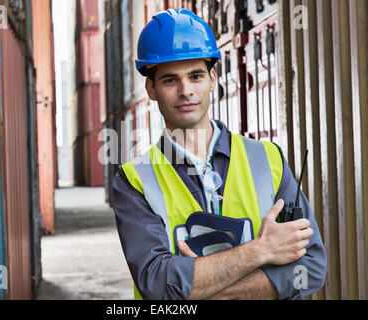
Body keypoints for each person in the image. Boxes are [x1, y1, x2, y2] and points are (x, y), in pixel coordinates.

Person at [112, 8, 326, 300]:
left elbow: (310, 269)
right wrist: (260, 250)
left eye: (196, 76)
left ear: (213, 79)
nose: (186, 90)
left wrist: (210, 289)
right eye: (170, 80)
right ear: (151, 88)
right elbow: (158, 284)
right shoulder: (134, 180)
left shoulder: (268, 159)